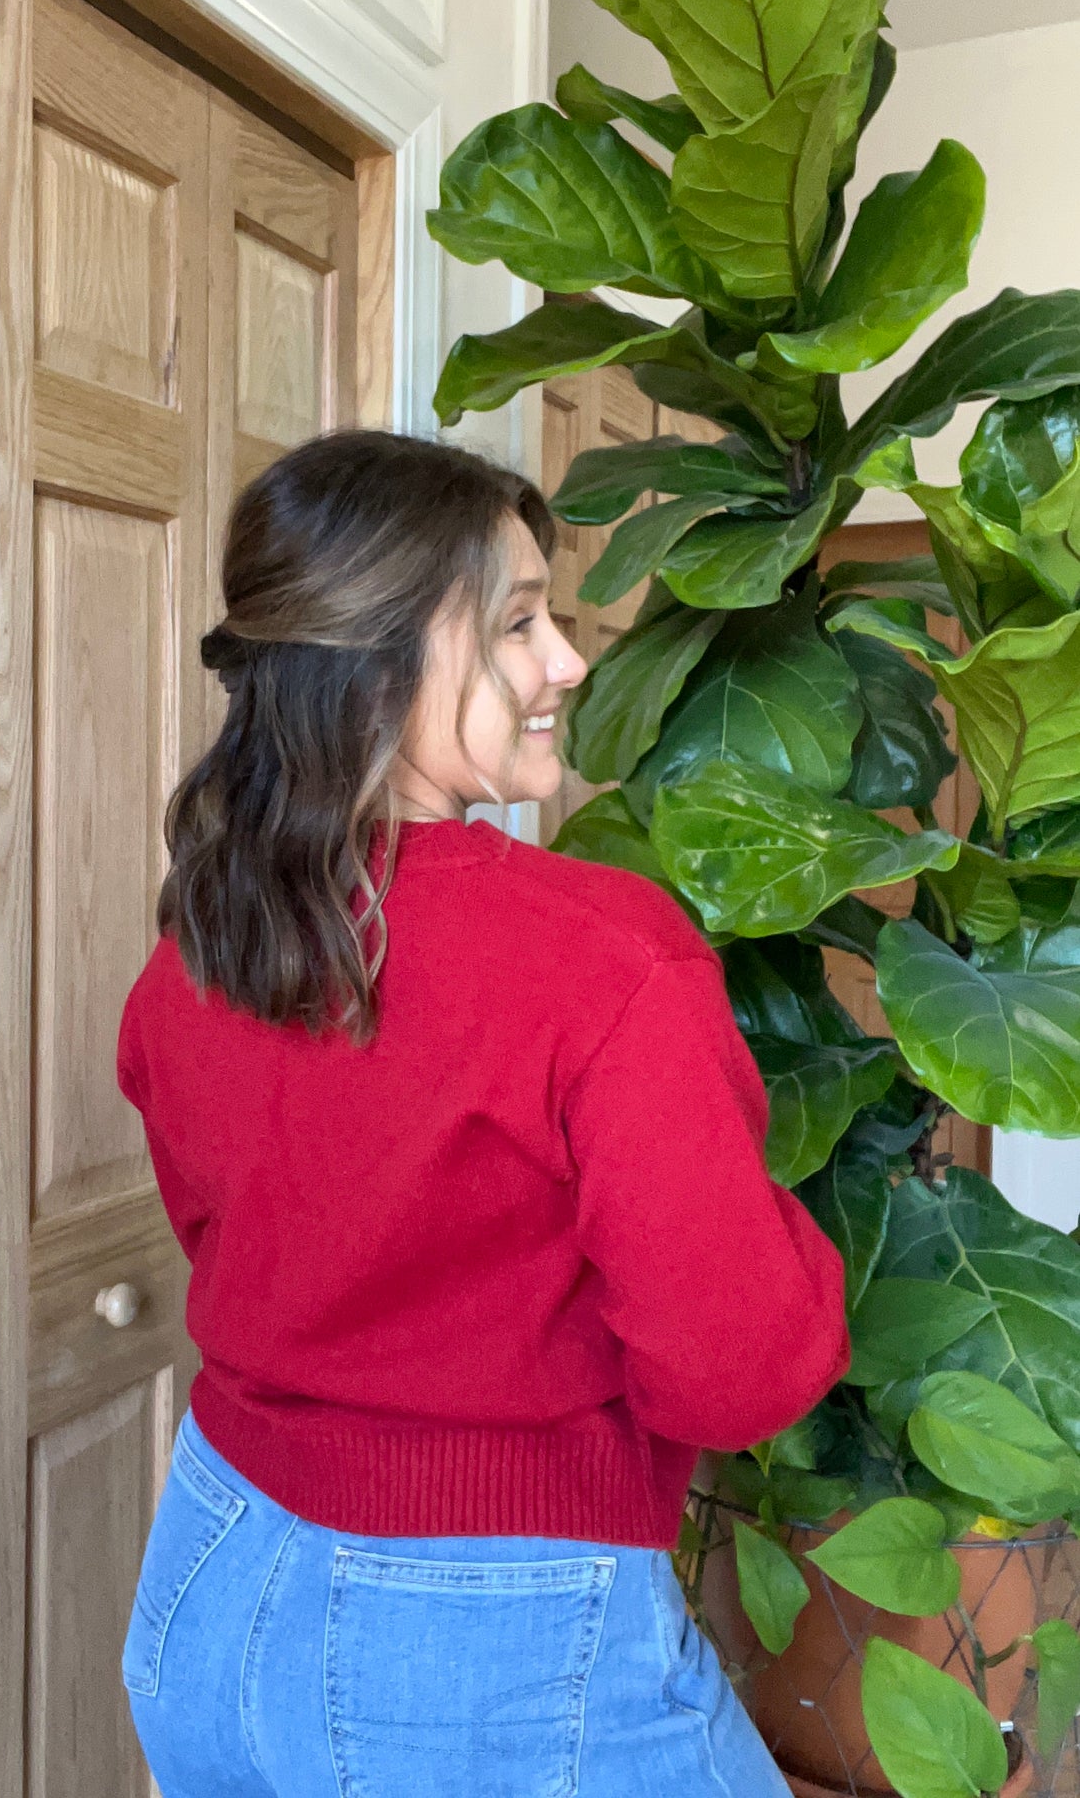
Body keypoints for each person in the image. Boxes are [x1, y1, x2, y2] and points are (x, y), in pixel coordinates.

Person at [116, 429, 850, 1796]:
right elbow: (739, 1367)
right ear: (381, 656)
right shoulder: (603, 958)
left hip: (209, 1584)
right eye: (519, 623)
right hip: (488, 1641)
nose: (567, 662)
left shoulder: (204, 942)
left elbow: (233, 1238)